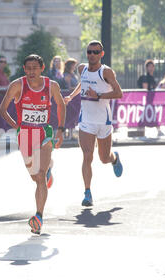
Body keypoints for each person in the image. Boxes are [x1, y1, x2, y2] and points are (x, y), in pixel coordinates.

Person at [0, 54, 66, 235]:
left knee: (41, 176)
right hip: (25, 136)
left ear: (42, 68)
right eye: (28, 68)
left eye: (35, 68)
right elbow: (2, 109)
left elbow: (61, 105)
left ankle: (38, 216)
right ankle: (47, 170)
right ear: (24, 69)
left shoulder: (51, 86)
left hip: (45, 133)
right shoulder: (17, 86)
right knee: (35, 178)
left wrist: (60, 129)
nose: (31, 72)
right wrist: (16, 125)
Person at [65, 40, 123, 207]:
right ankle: (87, 193)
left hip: (103, 121)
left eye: (96, 52)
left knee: (104, 158)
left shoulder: (106, 72)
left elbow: (118, 93)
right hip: (86, 121)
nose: (92, 55)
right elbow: (82, 83)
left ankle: (114, 159)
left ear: (101, 54)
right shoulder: (81, 68)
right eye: (89, 52)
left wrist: (98, 96)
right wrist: (72, 96)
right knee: (87, 155)